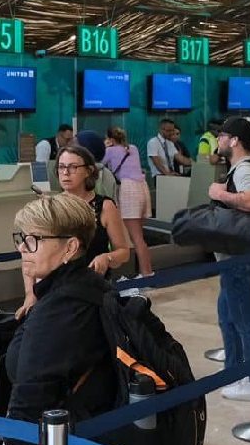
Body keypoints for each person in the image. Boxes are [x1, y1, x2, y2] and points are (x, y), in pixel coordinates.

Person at [0, 194, 129, 445]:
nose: (23, 248)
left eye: (35, 239)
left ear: (71, 247)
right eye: (22, 238)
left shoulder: (63, 309)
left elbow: (30, 401)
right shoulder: (83, 289)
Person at [17, 145, 130, 319]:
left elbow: (123, 252)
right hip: (56, 292)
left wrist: (107, 258)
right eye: (61, 167)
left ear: (89, 171)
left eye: (73, 167)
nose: (65, 173)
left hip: (92, 292)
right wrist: (30, 295)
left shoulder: (105, 206)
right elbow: (31, 253)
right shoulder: (52, 207)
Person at [206, 117, 250, 402]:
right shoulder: (238, 169)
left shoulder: (245, 170)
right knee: (228, 317)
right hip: (233, 259)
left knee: (245, 320)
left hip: (241, 258)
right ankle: (236, 372)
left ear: (234, 141)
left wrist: (221, 194)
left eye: (222, 136)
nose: (218, 141)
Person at [103, 127, 155, 277]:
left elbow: (97, 162)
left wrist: (106, 147)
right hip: (142, 188)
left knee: (136, 238)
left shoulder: (110, 151)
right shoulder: (133, 148)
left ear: (110, 139)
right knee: (139, 236)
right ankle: (145, 272)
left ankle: (146, 274)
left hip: (129, 189)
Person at [73, 129, 118, 201]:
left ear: (87, 150)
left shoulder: (86, 173)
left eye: (74, 146)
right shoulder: (106, 172)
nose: (70, 149)